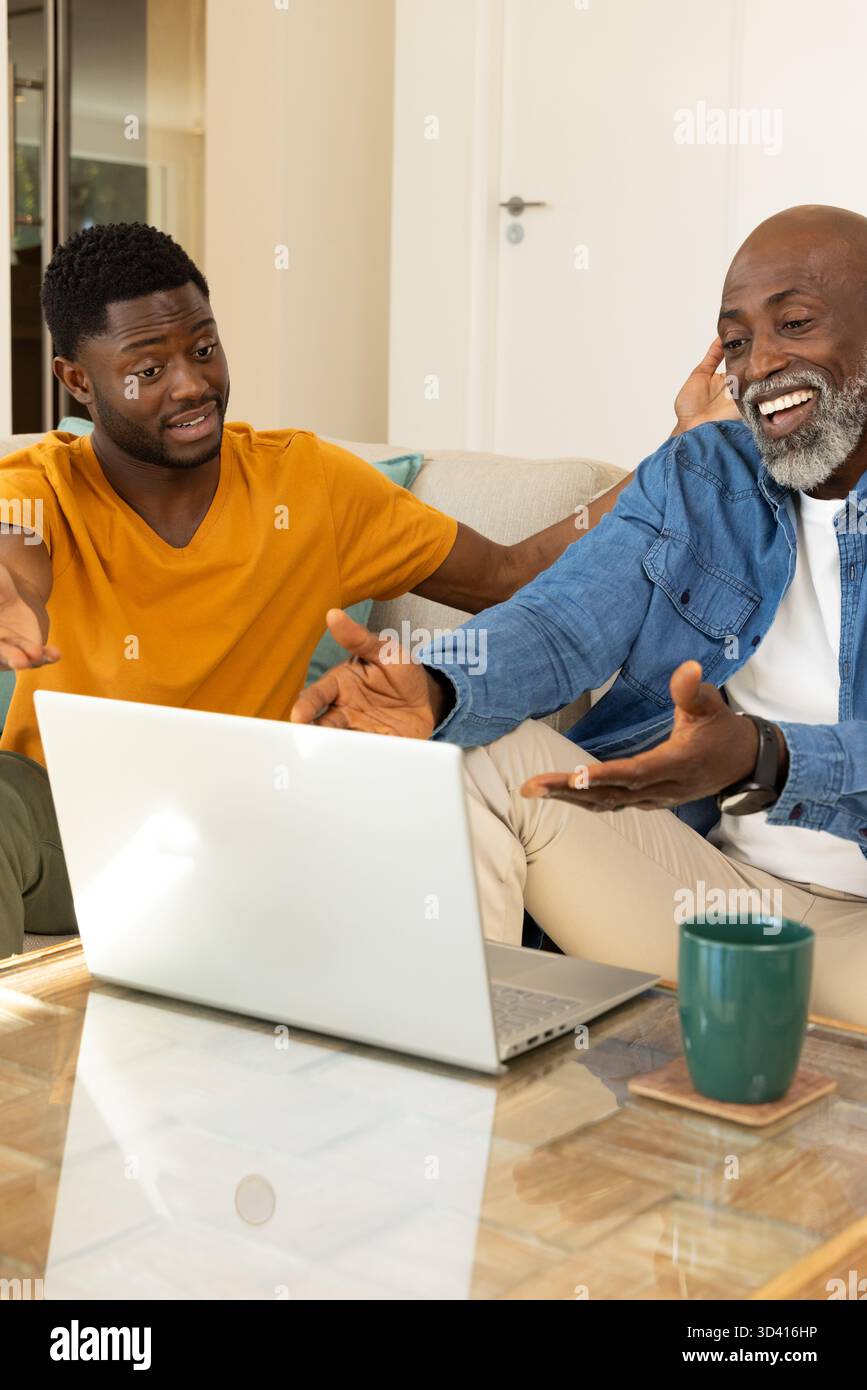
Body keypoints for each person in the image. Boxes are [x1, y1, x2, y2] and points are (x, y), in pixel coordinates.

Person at [0, 221, 719, 957]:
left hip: (255, 832)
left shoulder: (306, 484)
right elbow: (14, 550)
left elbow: (514, 575)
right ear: (78, 380)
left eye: (204, 348)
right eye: (147, 371)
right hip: (67, 836)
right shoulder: (39, 488)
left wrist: (681, 445)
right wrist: (10, 588)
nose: (192, 384)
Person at [292, 204, 867, 1027]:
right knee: (469, 757)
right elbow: (560, 623)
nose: (761, 364)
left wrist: (763, 760)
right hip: (713, 900)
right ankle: (459, 1097)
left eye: (796, 323)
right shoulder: (700, 474)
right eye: (736, 341)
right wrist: (436, 686)